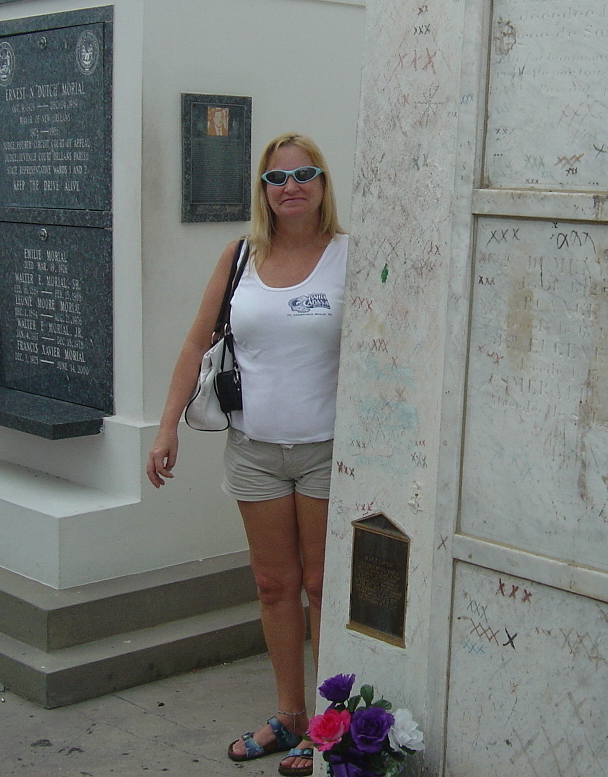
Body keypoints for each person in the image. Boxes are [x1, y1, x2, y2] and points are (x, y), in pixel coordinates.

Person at [147, 133, 347, 777]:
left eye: (304, 175)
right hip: (255, 451)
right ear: (262, 191)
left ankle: (330, 723)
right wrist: (166, 427)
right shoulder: (240, 256)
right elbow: (195, 344)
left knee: (322, 586)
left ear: (322, 185)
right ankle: (289, 715)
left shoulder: (349, 255)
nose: (291, 187)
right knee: (273, 585)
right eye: (277, 178)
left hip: (326, 452)